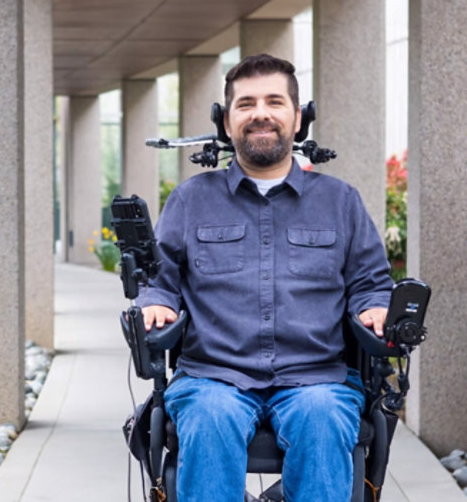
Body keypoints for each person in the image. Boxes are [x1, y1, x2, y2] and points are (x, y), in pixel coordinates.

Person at [139, 53, 393, 501]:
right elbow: (160, 278)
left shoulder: (340, 201)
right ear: (225, 121)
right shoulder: (190, 200)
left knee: (323, 417)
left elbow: (371, 281)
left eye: (275, 102)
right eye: (246, 104)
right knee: (209, 417)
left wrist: (375, 307)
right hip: (213, 375)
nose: (261, 114)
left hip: (316, 377)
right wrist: (156, 301)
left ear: (299, 118)